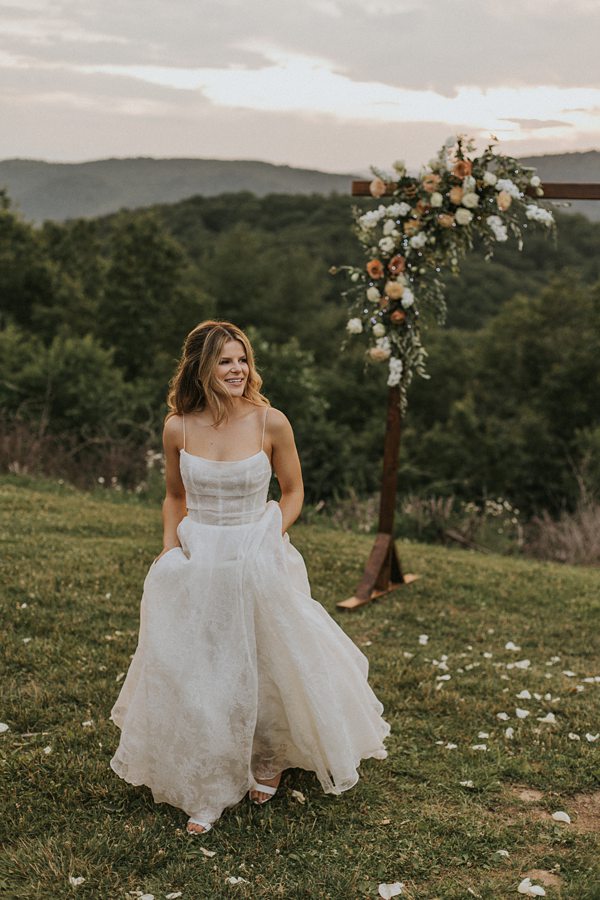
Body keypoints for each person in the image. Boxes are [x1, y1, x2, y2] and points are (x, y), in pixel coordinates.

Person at [110, 320, 390, 834]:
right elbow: (175, 497)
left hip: (256, 551)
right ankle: (209, 784)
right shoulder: (178, 426)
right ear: (202, 367)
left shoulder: (270, 422)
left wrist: (269, 534)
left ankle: (270, 756)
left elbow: (294, 492)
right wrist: (170, 550)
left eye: (242, 359)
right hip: (201, 556)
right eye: (224, 361)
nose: (237, 370)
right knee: (202, 668)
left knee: (268, 658)